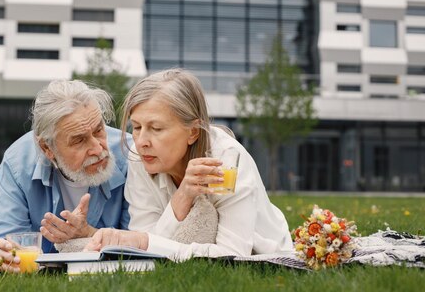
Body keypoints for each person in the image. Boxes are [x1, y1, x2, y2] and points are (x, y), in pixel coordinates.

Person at [85, 69, 293, 259]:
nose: (141, 142)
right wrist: (181, 198)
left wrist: (149, 243)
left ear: (193, 132)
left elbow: (232, 256)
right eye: (137, 127)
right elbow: (145, 244)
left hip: (269, 256)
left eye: (156, 128)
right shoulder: (140, 158)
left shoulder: (227, 160)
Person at [0, 80, 131, 272]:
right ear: (47, 148)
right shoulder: (18, 162)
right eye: (79, 140)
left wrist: (90, 235)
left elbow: (143, 240)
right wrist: (0, 257)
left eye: (99, 130)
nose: (97, 148)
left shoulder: (131, 154)